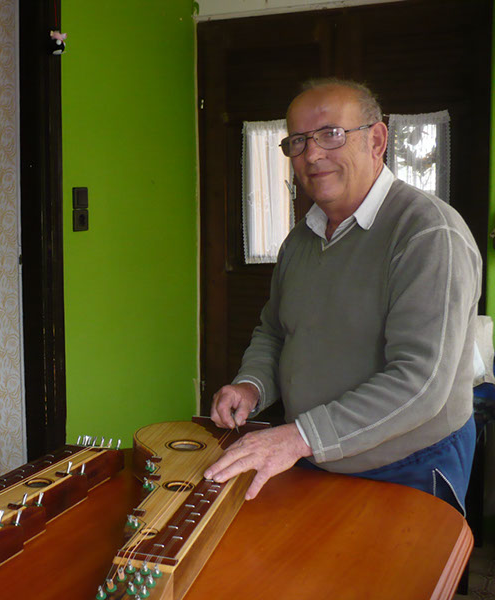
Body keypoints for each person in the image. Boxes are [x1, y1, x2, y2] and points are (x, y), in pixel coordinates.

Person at [205, 79, 481, 514]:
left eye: (331, 134)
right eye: (298, 141)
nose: (312, 154)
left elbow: (421, 383)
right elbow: (275, 332)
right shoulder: (300, 240)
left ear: (377, 140)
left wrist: (299, 437)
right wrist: (251, 385)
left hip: (407, 466)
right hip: (314, 453)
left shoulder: (428, 233)